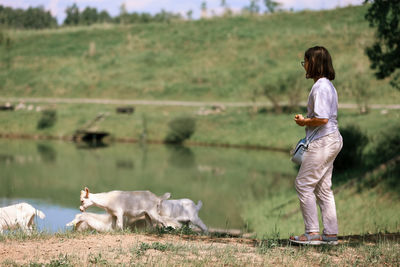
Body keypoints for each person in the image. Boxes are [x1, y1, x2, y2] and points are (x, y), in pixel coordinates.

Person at [289, 46, 343, 245]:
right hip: (332, 139)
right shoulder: (328, 85)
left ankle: (311, 233)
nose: (304, 67)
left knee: (303, 184)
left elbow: (322, 119)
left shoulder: (320, 87)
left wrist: (304, 121)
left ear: (315, 63)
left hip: (323, 141)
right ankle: (330, 234)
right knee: (322, 188)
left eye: (306, 62)